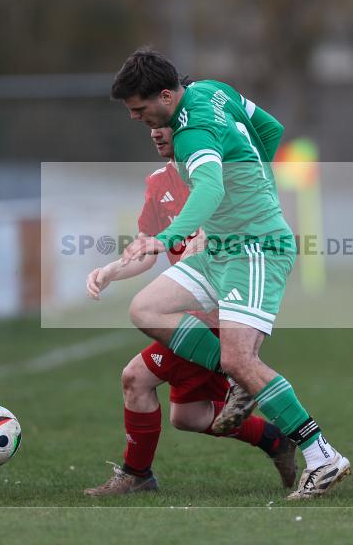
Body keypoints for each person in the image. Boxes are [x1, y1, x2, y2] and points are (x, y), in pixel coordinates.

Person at [111, 48, 350, 499]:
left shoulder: (192, 132)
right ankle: (243, 379)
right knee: (147, 307)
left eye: (140, 110)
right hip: (221, 245)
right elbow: (270, 128)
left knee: (239, 358)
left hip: (254, 245)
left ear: (165, 95)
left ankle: (323, 456)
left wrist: (169, 236)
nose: (136, 118)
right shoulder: (213, 90)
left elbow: (211, 186)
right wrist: (255, 175)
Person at [83, 126, 297, 496]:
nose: (155, 132)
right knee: (190, 416)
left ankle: (138, 475)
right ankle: (274, 438)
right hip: (184, 316)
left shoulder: (223, 177)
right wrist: (111, 272)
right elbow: (144, 250)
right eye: (148, 123)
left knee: (136, 378)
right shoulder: (156, 184)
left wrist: (210, 237)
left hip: (217, 317)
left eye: (163, 124)